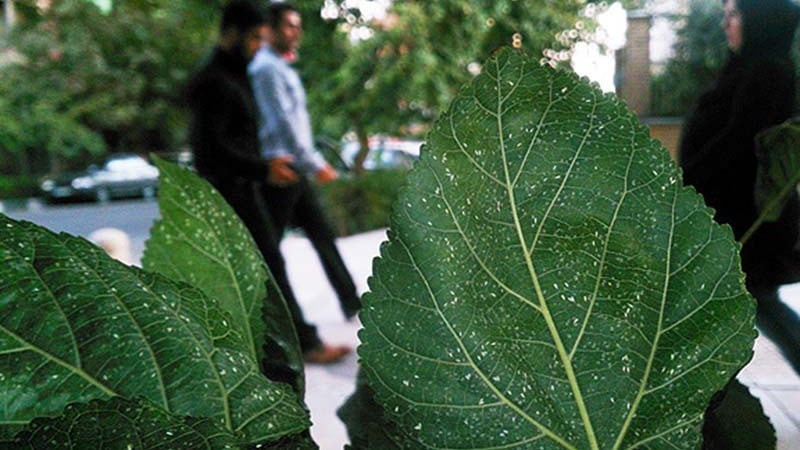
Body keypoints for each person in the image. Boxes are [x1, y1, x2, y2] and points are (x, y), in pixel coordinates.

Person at [184, 0, 350, 366]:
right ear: (232, 35)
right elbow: (211, 150)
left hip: (247, 185)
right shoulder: (215, 82)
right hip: (229, 191)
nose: (259, 46)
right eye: (254, 38)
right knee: (267, 267)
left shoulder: (237, 74)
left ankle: (283, 346)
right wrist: (263, 169)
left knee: (264, 266)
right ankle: (301, 344)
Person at [679, 0, 800, 375]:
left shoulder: (767, 72)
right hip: (728, 217)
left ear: (758, 21)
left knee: (753, 304)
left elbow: (739, 143)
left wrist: (684, 183)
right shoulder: (748, 68)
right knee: (751, 307)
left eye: (734, 15)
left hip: (742, 221)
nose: (726, 24)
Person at [248, 3, 363, 322]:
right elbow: (283, 123)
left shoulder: (280, 67)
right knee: (268, 251)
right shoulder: (265, 69)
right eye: (289, 26)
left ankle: (352, 302)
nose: (296, 32)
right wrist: (314, 162)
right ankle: (266, 317)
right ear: (270, 30)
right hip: (280, 169)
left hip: (294, 167)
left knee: (321, 234)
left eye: (298, 26)